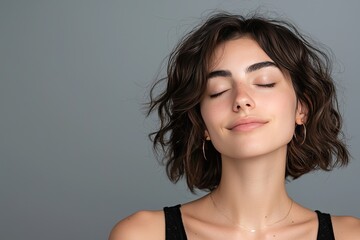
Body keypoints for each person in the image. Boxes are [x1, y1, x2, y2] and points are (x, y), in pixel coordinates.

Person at [109, 12, 360, 240]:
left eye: (264, 82)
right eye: (218, 91)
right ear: (202, 123)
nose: (241, 99)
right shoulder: (142, 234)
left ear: (301, 109)